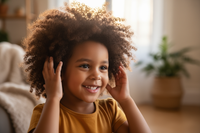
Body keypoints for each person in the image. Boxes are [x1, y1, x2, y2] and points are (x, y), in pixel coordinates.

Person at [23, 2, 151, 133]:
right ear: (59, 71)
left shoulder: (110, 110)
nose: (96, 75)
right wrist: (53, 99)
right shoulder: (46, 112)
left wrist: (126, 100)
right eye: (85, 66)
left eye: (103, 67)